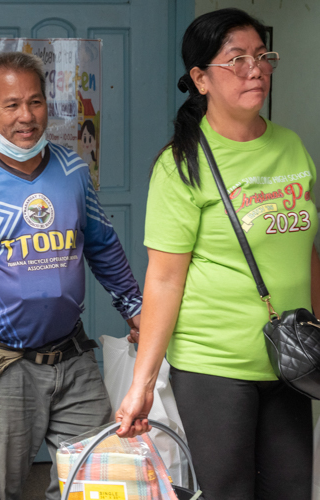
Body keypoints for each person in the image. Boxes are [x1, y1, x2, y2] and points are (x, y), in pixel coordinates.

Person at [0, 51, 142, 500]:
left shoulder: (73, 169)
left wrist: (134, 307)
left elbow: (102, 245)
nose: (26, 117)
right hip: (3, 367)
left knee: (96, 476)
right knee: (2, 488)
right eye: (12, 105)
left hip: (73, 357)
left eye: (35, 103)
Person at [115, 9, 319, 500]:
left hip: (290, 361)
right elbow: (163, 280)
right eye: (237, 59)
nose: (256, 69)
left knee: (292, 489)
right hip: (214, 366)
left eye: (262, 56)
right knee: (229, 491)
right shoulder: (179, 165)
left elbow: (306, 252)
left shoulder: (291, 146)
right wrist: (142, 382)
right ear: (201, 79)